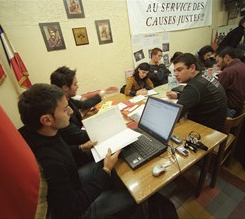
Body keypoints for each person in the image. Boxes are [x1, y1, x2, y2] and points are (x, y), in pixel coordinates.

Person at [18, 83, 179, 219]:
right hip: (78, 210)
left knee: (112, 163)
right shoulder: (48, 161)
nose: (71, 112)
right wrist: (106, 170)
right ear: (47, 119)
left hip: (73, 180)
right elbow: (73, 207)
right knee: (138, 195)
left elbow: (62, 150)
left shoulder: (39, 132)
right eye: (65, 109)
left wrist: (81, 148)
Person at [50, 66, 118, 145]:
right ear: (65, 87)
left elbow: (84, 104)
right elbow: (80, 136)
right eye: (75, 84)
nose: (78, 86)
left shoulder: (68, 99)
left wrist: (103, 92)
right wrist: (108, 125)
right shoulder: (59, 112)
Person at [166, 53, 227, 132]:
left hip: (207, 130)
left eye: (179, 70)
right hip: (218, 121)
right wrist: (178, 95)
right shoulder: (204, 75)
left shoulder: (194, 86)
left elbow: (175, 115)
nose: (175, 74)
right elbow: (200, 95)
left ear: (192, 68)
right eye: (174, 71)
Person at [215, 47, 245, 116]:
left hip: (232, 110)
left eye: (218, 61)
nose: (217, 65)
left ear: (227, 58)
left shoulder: (228, 72)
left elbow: (217, 93)